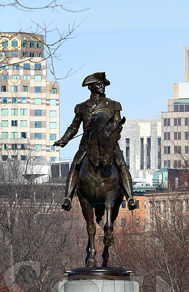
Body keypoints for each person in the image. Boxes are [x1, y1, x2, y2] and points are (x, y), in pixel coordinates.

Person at [53, 72, 136, 211]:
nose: (102, 86)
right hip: (88, 145)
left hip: (109, 145)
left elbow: (117, 126)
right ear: (91, 87)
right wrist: (64, 140)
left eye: (103, 84)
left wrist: (113, 133)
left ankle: (130, 197)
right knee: (75, 165)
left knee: (121, 164)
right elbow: (74, 127)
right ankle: (67, 197)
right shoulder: (82, 107)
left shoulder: (114, 105)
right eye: (99, 84)